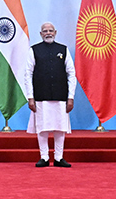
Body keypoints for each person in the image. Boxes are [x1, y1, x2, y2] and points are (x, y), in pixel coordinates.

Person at [23, 22, 76, 168]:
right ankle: (44, 157)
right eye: (45, 31)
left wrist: (70, 97)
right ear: (41, 34)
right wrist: (30, 97)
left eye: (50, 30)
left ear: (55, 32)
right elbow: (28, 74)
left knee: (60, 128)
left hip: (61, 96)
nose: (48, 33)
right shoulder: (34, 50)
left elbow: (71, 74)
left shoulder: (63, 50)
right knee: (42, 128)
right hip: (41, 96)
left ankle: (59, 157)